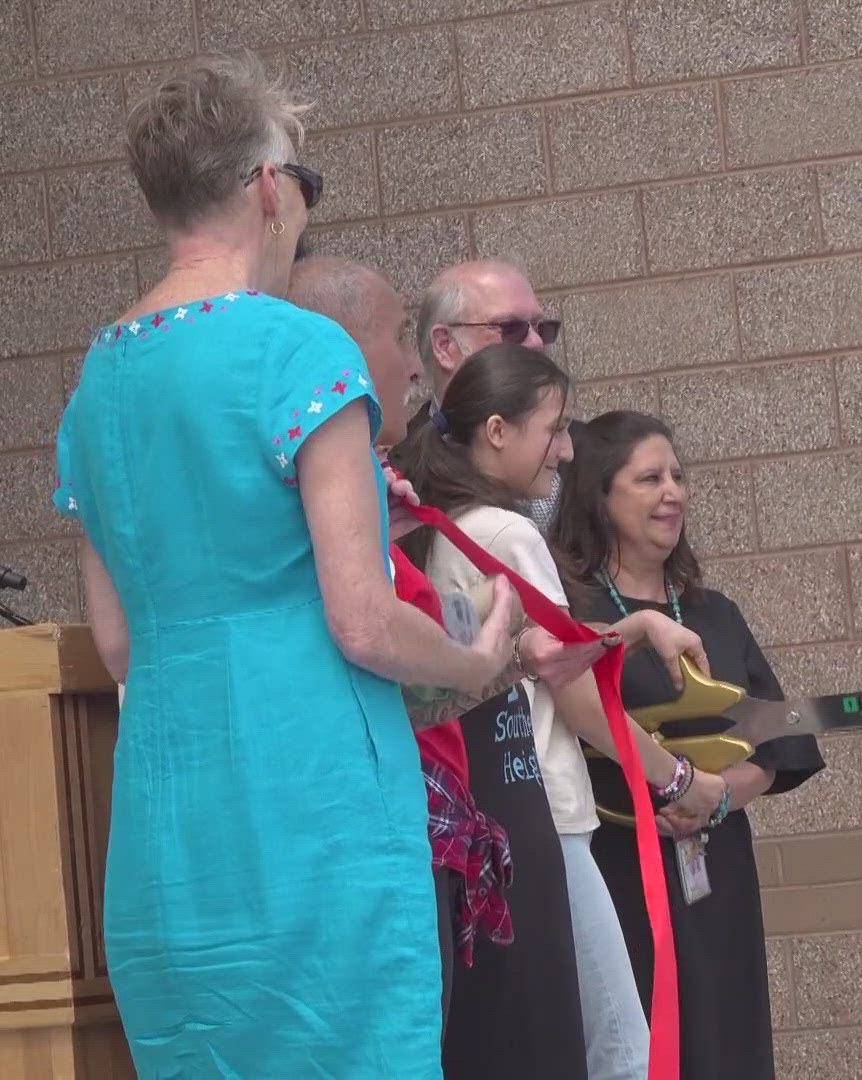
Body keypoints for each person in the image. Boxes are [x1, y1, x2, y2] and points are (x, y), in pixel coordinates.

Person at [52, 55, 517, 1076]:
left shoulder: (99, 380)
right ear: (267, 188)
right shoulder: (301, 351)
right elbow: (360, 619)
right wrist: (473, 659)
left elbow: (121, 639)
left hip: (169, 825)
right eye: (302, 183)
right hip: (311, 808)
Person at [287, 256, 609, 1072]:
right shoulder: (493, 531)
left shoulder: (401, 505)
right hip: (442, 814)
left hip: (449, 812)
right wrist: (483, 659)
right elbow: (377, 637)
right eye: (512, 332)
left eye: (545, 329)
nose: (567, 454)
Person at [391, 345, 727, 1080]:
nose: (569, 450)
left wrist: (632, 629)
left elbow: (540, 647)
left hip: (486, 815)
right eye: (556, 429)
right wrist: (676, 781)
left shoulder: (443, 527)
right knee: (619, 1052)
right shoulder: (504, 533)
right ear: (500, 432)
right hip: (545, 809)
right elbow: (567, 685)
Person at [552, 411, 825, 1080]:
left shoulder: (714, 611)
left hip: (718, 864)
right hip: (617, 865)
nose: (672, 491)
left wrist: (718, 798)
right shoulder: (570, 614)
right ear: (600, 497)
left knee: (729, 1038)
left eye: (677, 476)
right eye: (649, 478)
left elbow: (780, 743)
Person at [417, 259, 565, 530]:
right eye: (510, 328)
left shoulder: (582, 453)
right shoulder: (398, 479)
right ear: (444, 345)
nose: (535, 342)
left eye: (542, 327)